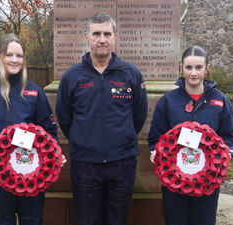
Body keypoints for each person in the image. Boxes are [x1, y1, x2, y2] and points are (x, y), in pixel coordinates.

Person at [0, 33, 66, 225]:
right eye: (9, 55)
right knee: (2, 220)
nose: (14, 60)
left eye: (19, 56)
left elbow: (48, 130)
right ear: (0, 56)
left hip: (32, 172)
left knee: (32, 220)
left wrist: (55, 153)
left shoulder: (35, 93)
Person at [56, 13, 148, 225]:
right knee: (87, 220)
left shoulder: (131, 74)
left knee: (117, 219)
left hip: (122, 162)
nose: (102, 39)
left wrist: (121, 138)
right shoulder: (72, 77)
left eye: (107, 33)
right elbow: (64, 117)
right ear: (87, 37)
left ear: (115, 36)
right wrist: (83, 139)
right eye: (96, 33)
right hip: (85, 164)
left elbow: (139, 115)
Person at [148, 45, 233, 225]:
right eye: (188, 67)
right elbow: (156, 137)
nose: (193, 73)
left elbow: (231, 135)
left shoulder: (220, 101)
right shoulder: (168, 101)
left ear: (207, 68)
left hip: (208, 180)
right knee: (175, 220)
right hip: (175, 179)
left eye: (199, 67)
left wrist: (225, 155)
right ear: (181, 68)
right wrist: (154, 150)